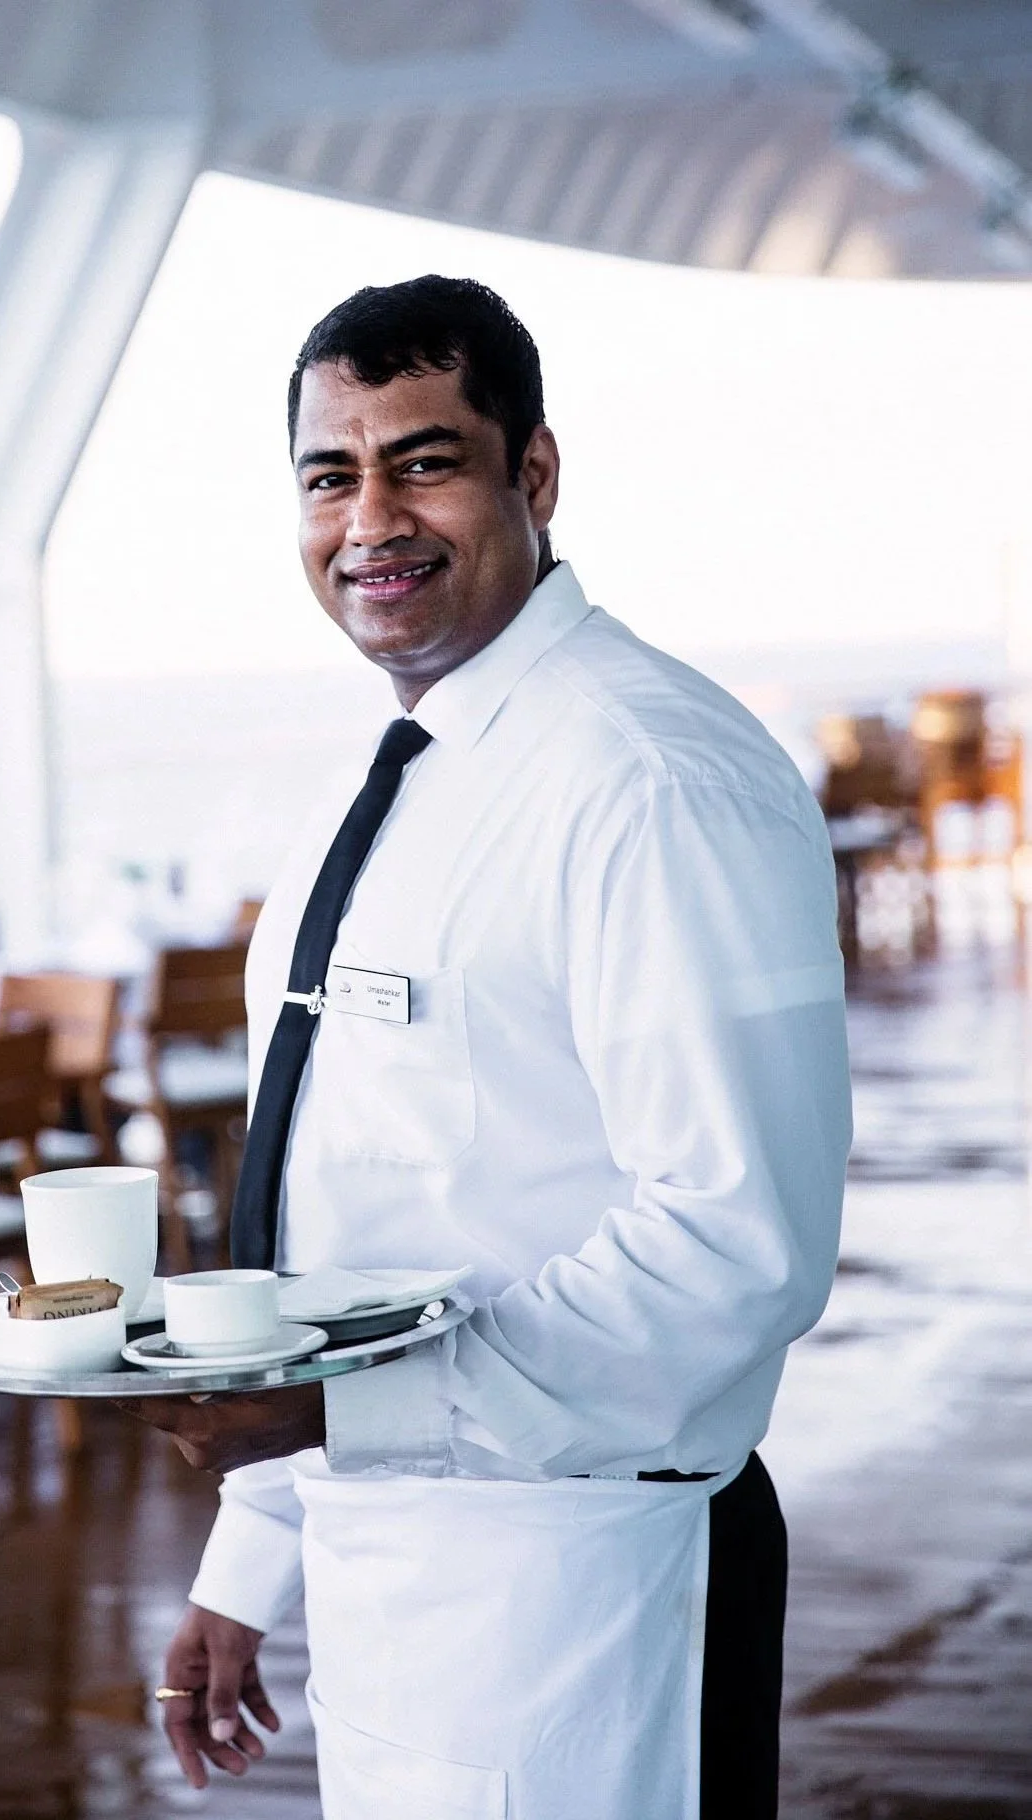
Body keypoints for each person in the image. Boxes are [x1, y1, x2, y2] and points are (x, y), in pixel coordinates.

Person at [123, 275, 851, 1818]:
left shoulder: (647, 777)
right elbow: (350, 1199)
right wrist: (255, 1550)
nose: (370, 516)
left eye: (426, 459)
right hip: (400, 1571)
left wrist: (333, 1413)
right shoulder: (396, 770)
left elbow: (735, 1248)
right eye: (332, 474)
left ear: (535, 473)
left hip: (593, 1589)